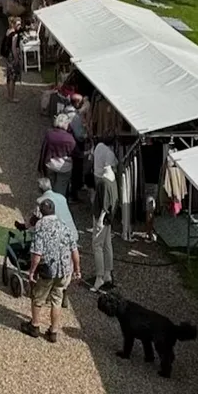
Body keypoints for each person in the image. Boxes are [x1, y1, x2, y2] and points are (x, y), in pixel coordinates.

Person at [20, 198, 81, 342]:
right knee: (57, 300)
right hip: (64, 269)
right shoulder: (64, 226)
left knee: (38, 297)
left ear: (41, 213)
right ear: (54, 210)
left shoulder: (40, 227)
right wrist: (77, 269)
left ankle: (34, 326)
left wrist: (32, 271)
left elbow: (37, 254)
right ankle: (53, 331)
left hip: (48, 270)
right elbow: (74, 250)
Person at [91, 135, 117, 292]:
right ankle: (108, 273)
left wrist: (100, 219)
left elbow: (105, 205)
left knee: (97, 245)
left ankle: (99, 277)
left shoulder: (103, 182)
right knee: (107, 244)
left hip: (102, 217)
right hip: (109, 217)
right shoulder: (113, 180)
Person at [38, 113, 76, 196]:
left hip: (50, 164)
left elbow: (44, 150)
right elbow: (73, 154)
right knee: (60, 190)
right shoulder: (70, 139)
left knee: (49, 187)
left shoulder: (49, 135)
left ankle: (48, 201)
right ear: (66, 124)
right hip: (64, 167)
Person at [67, 93, 89, 202]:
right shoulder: (75, 117)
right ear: (76, 103)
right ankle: (73, 195)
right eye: (80, 102)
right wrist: (86, 134)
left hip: (69, 145)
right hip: (75, 146)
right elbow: (80, 136)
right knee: (76, 170)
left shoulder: (66, 111)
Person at [4, 16, 22, 103]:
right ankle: (11, 96)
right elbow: (14, 48)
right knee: (12, 77)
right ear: (14, 24)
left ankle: (8, 95)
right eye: (18, 24)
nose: (20, 26)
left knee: (9, 76)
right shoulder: (15, 35)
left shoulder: (8, 31)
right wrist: (16, 59)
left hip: (8, 56)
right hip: (12, 56)